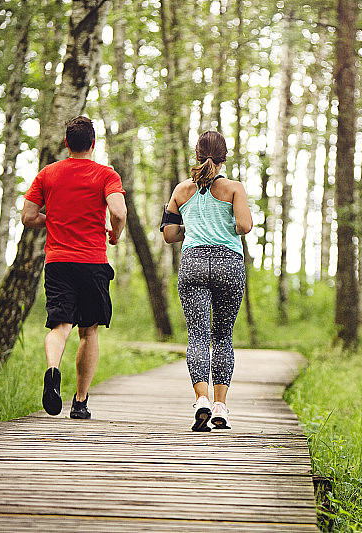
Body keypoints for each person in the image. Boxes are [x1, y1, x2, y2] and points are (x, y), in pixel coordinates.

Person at [22, 115, 127, 420]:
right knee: (89, 331)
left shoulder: (47, 174)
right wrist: (115, 233)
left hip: (58, 262)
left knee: (60, 326)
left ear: (67, 143)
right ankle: (80, 402)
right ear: (93, 144)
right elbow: (118, 211)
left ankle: (53, 370)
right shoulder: (106, 175)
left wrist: (52, 219)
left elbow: (28, 216)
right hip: (92, 261)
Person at [161, 130, 253, 432]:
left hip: (193, 263)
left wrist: (195, 225)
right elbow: (244, 225)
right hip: (228, 263)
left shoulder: (181, 190)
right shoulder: (234, 188)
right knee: (222, 336)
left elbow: (169, 235)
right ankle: (220, 407)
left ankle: (200, 400)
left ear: (197, 154)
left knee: (197, 335)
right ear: (224, 156)